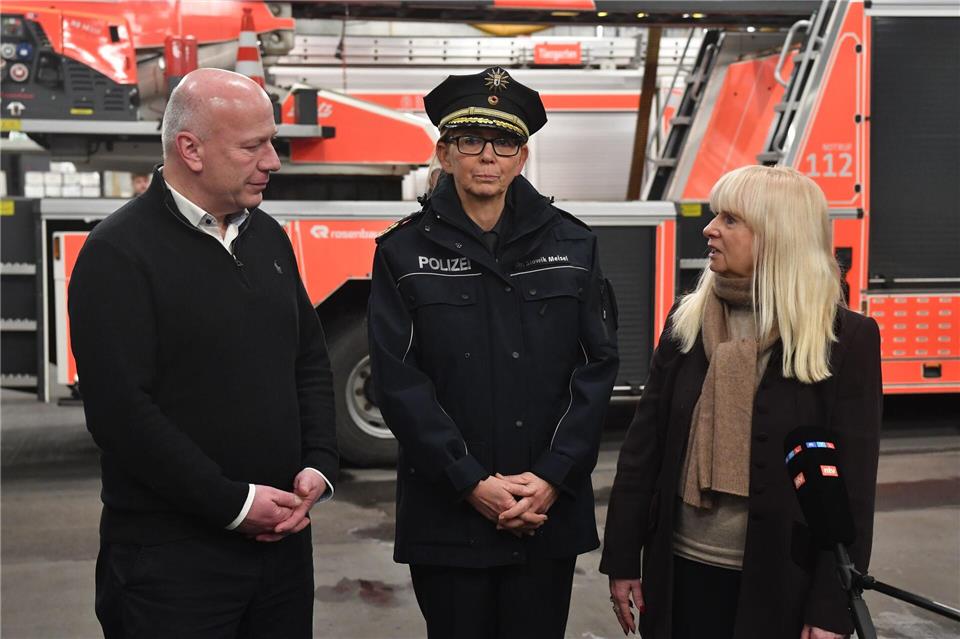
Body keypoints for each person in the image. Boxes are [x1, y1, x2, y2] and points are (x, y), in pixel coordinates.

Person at [68, 68, 338, 639]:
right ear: (190, 149)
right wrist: (233, 504)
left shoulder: (267, 238)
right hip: (172, 564)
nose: (273, 161)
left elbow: (308, 359)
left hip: (283, 552)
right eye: (252, 146)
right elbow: (122, 415)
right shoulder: (118, 253)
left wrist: (317, 463)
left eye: (272, 142)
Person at [368, 67, 619, 639]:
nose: (488, 156)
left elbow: (597, 369)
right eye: (469, 140)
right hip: (451, 515)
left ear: (522, 156)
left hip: (544, 512)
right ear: (445, 151)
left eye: (504, 142)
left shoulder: (573, 244)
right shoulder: (402, 251)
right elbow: (398, 381)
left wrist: (553, 477)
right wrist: (470, 481)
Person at [600, 165, 882, 639]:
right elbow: (642, 451)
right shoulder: (685, 322)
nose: (709, 229)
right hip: (679, 571)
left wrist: (831, 608)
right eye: (715, 216)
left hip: (779, 584)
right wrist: (624, 558)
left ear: (778, 235)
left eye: (730, 220)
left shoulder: (844, 339)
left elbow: (852, 488)